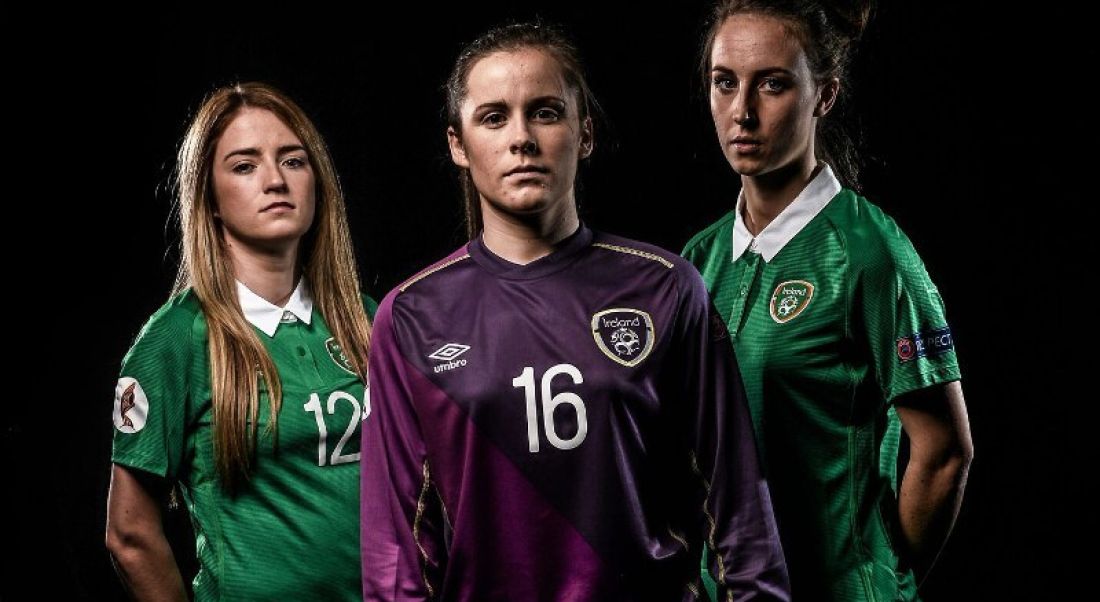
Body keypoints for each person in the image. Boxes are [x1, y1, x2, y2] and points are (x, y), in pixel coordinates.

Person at [359, 22, 789, 602]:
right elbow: (396, 553)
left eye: (545, 112)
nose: (521, 139)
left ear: (584, 133)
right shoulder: (410, 315)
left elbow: (737, 501)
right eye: (493, 117)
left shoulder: (665, 287)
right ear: (458, 145)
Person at [681, 2, 974, 600]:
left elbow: (945, 453)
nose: (742, 112)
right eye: (724, 83)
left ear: (824, 96)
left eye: (773, 84)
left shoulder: (869, 253)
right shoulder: (698, 259)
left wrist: (878, 580)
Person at [105, 81, 376, 601]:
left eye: (294, 161)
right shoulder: (175, 339)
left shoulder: (364, 318)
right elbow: (129, 535)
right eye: (245, 166)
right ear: (209, 199)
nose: (276, 180)